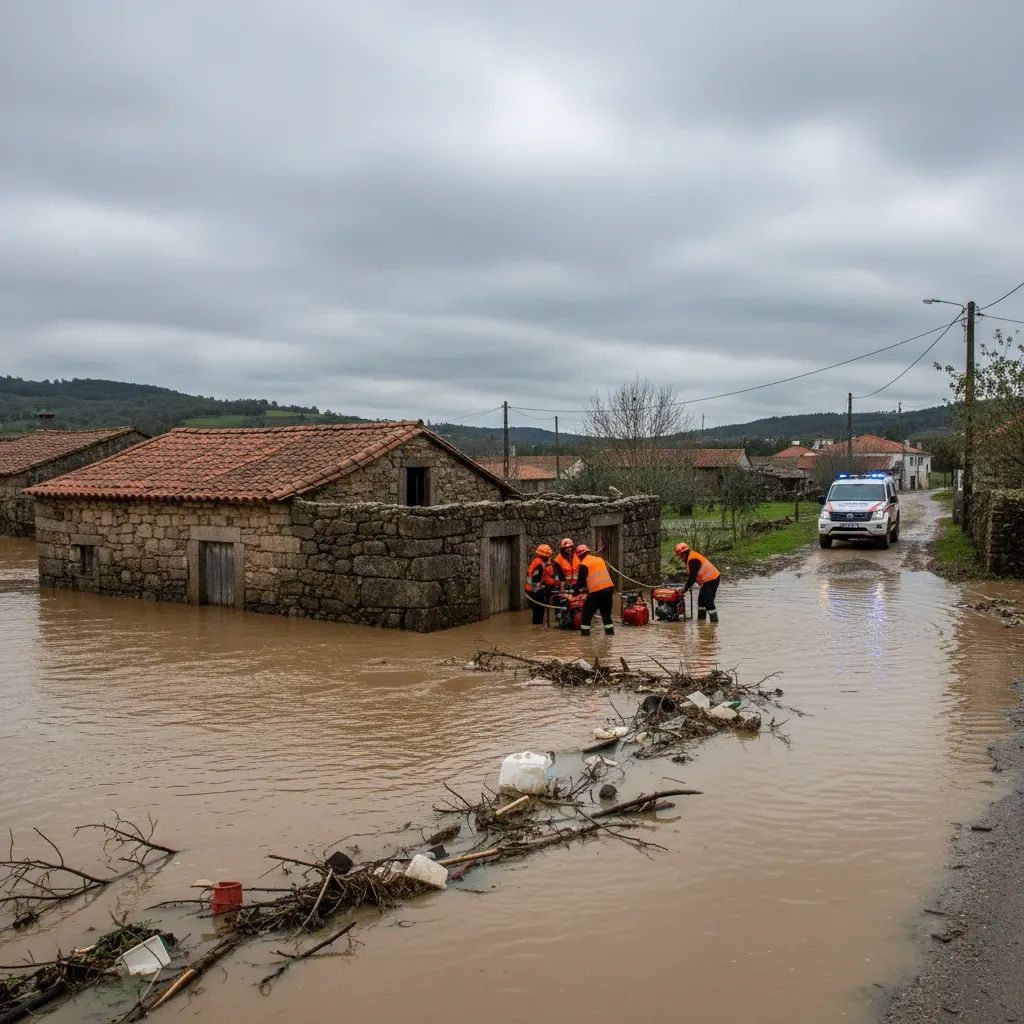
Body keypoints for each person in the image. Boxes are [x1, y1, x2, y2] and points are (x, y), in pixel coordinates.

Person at [575, 544, 615, 637]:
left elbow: (580, 583)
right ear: (588, 552)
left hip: (597, 591)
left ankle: (585, 639)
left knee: (586, 616)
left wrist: (574, 591)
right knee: (606, 615)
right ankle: (610, 637)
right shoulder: (599, 559)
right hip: (609, 589)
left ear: (580, 556)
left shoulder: (584, 564)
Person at [674, 542, 720, 622]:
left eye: (681, 555)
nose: (680, 557)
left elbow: (692, 577)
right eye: (679, 555)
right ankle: (701, 622)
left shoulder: (693, 559)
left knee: (708, 601)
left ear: (685, 553)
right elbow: (692, 574)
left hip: (712, 579)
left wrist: (685, 589)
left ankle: (714, 624)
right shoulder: (690, 558)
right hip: (708, 580)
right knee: (701, 601)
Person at [525, 543, 556, 625]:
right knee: (537, 612)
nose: (549, 557)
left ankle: (538, 628)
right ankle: (537, 627)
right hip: (533, 591)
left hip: (536, 590)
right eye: (548, 555)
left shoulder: (543, 563)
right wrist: (541, 593)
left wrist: (555, 583)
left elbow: (547, 577)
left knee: (540, 611)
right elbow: (535, 581)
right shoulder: (538, 565)